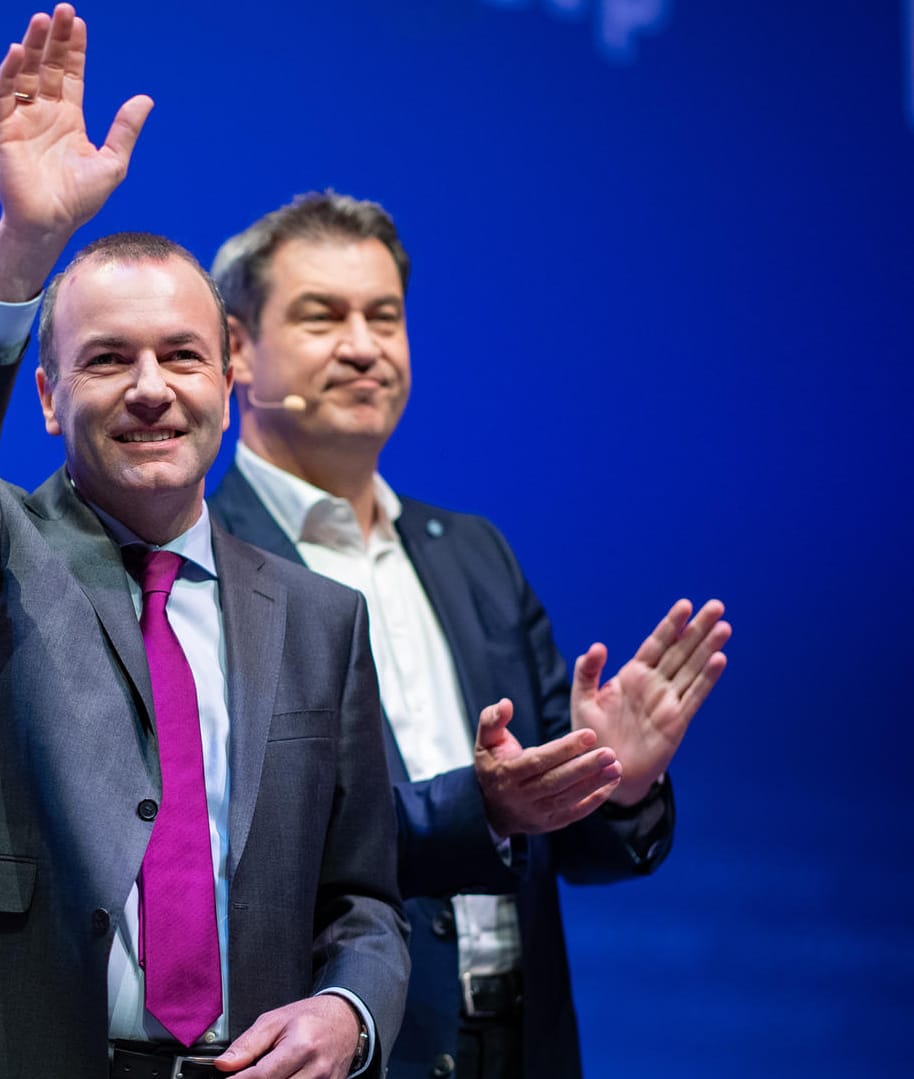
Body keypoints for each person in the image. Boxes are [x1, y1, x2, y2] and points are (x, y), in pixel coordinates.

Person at [0, 8, 409, 1078]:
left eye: (180, 355)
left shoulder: (323, 623)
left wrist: (350, 1011)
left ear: (230, 375)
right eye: (106, 361)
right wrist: (21, 250)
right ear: (45, 394)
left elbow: (361, 899)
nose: (148, 389)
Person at [206, 191, 732, 1079]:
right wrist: (482, 807)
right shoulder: (204, 566)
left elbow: (569, 847)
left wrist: (613, 785)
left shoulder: (476, 555)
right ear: (234, 350)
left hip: (521, 1044)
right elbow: (260, 836)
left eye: (385, 316)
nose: (365, 346)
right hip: (338, 1053)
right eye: (322, 316)